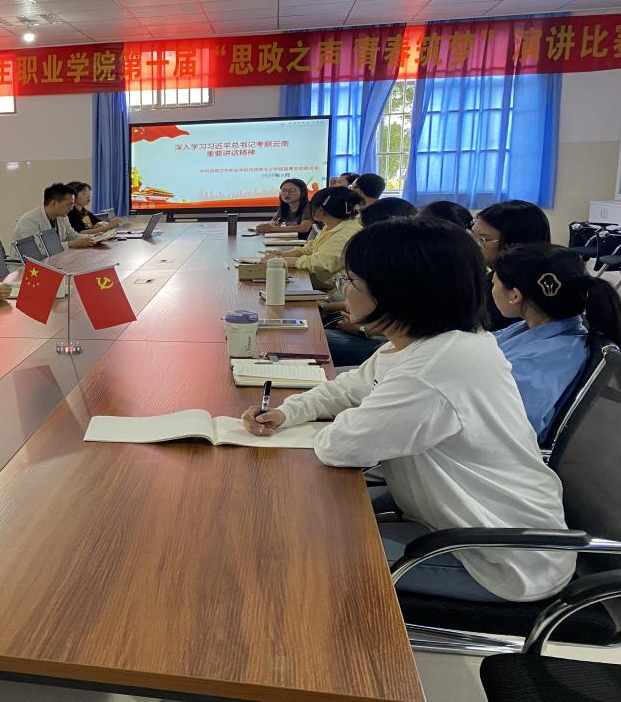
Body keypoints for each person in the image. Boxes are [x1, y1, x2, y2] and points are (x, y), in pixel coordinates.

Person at [242, 219, 574, 603]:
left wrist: (354, 417)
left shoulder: (435, 368)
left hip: (501, 559)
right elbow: (349, 387)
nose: (345, 291)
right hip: (457, 520)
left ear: (397, 292)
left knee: (292, 546)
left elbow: (342, 446)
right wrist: (290, 411)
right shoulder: (429, 342)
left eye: (352, 281)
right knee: (301, 514)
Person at [492, 244, 621, 438]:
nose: (492, 290)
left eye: (494, 284)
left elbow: (510, 431)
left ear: (515, 295)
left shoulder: (540, 363)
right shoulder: (544, 327)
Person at [324, 200, 419, 365]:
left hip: (379, 343)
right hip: (384, 343)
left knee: (316, 338)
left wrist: (362, 329)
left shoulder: (399, 265)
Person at [263, 186, 363, 291]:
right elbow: (310, 248)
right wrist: (282, 255)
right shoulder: (333, 224)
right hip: (322, 282)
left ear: (320, 210)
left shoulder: (347, 233)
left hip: (335, 290)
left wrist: (279, 261)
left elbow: (318, 264)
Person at [473, 200, 553, 331]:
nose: (474, 246)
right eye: (473, 237)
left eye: (483, 239)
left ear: (513, 242)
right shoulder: (490, 278)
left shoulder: (511, 293)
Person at [12, 183, 96, 252]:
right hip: (26, 265)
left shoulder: (62, 217)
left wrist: (93, 237)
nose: (71, 209)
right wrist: (70, 244)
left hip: (53, 260)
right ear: (53, 203)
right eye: (68, 205)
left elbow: (72, 235)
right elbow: (38, 250)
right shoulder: (30, 220)